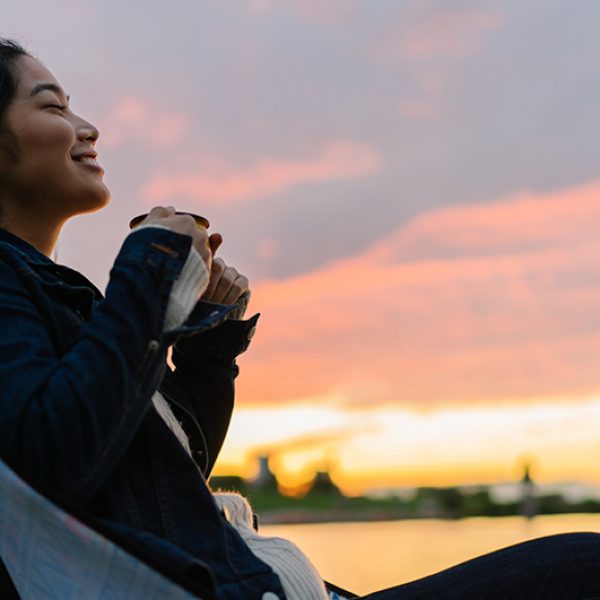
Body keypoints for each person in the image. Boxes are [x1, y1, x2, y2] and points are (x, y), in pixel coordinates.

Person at [0, 38, 599, 600]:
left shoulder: (60, 294)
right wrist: (151, 266)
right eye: (53, 106)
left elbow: (157, 482)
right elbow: (54, 461)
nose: (87, 127)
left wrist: (210, 343)